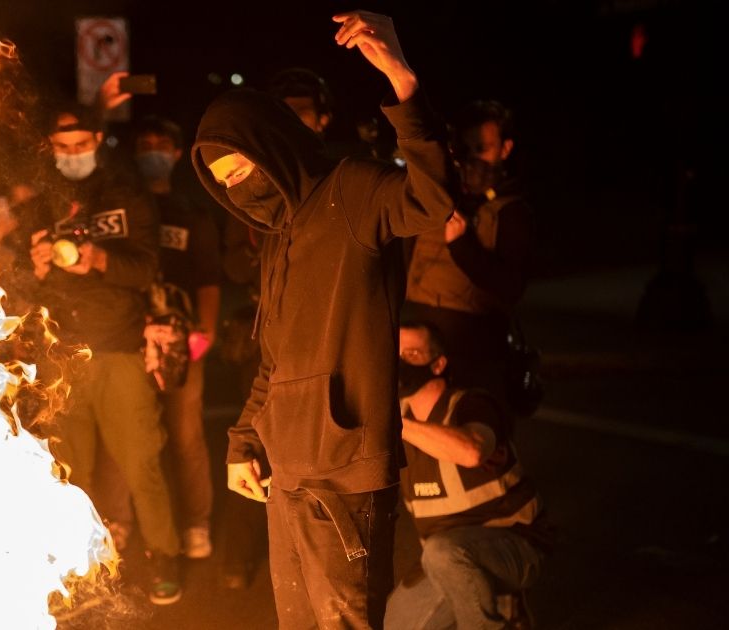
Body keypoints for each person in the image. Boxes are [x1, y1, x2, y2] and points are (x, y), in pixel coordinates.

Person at [191, 10, 458, 628]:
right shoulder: (277, 237)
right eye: (225, 183)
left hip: (344, 471)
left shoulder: (353, 192)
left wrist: (402, 80)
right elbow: (275, 361)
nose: (239, 190)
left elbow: (433, 198)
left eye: (243, 169)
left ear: (272, 145)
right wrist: (244, 442)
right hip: (286, 471)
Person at [16, 102, 184, 605]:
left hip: (119, 348)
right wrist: (40, 270)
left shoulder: (126, 192)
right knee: (70, 471)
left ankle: (164, 558)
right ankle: (80, 574)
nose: (72, 155)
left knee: (142, 461)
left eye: (81, 145)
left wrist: (98, 259)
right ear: (51, 148)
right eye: (62, 148)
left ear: (97, 141)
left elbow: (147, 267)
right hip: (62, 355)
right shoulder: (41, 203)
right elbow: (23, 284)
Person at [385, 321, 548, 629]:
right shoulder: (399, 419)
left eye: (412, 353)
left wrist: (397, 425)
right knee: (392, 625)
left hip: (515, 544)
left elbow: (473, 450)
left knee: (443, 553)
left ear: (438, 364)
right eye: (396, 353)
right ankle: (500, 603)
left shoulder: (471, 404)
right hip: (449, 562)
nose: (400, 362)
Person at [403, 99, 534, 405]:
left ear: (505, 148)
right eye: (467, 149)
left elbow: (511, 288)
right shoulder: (439, 197)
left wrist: (463, 246)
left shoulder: (512, 211)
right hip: (418, 339)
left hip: (475, 350)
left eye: (483, 149)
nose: (473, 159)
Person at [132, 116, 220, 560]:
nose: (152, 150)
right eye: (144, 143)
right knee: (137, 435)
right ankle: (136, 527)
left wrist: (205, 332)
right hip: (133, 339)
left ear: (177, 152)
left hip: (185, 341)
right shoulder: (127, 207)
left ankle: (196, 523)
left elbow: (209, 278)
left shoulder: (192, 211)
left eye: (160, 143)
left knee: (186, 434)